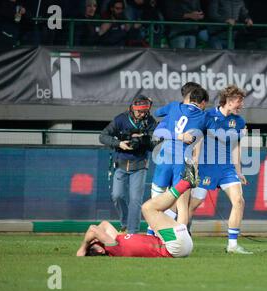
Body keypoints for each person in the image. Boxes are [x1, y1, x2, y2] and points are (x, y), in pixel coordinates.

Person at [76, 159, 198, 258]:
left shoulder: (117, 240)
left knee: (178, 210)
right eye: (95, 242)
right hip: (174, 246)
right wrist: (84, 247)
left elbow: (104, 224)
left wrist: (92, 243)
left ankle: (187, 183)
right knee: (147, 208)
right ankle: (185, 183)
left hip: (180, 245)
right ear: (100, 250)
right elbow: (93, 229)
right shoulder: (112, 248)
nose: (95, 240)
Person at [188, 85, 251, 254]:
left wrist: (239, 171)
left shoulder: (239, 121)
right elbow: (198, 139)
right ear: (229, 102)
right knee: (192, 205)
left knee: (239, 201)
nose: (242, 105)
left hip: (226, 169)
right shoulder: (208, 115)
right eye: (239, 102)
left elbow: (236, 146)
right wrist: (195, 163)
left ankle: (232, 245)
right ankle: (182, 236)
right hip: (206, 167)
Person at [151, 87, 215, 227]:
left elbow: (156, 116)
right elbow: (217, 133)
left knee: (155, 201)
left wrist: (173, 128)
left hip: (164, 157)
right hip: (183, 162)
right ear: (203, 102)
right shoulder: (204, 117)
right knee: (182, 205)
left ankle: (153, 235)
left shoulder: (173, 107)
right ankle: (180, 240)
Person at [99, 95, 157, 234]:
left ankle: (132, 232)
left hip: (140, 165)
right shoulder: (121, 119)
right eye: (139, 111)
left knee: (135, 200)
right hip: (121, 164)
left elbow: (155, 144)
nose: (142, 114)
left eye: (145, 111)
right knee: (117, 195)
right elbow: (103, 136)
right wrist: (119, 143)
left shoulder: (150, 122)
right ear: (132, 108)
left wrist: (144, 141)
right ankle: (125, 223)